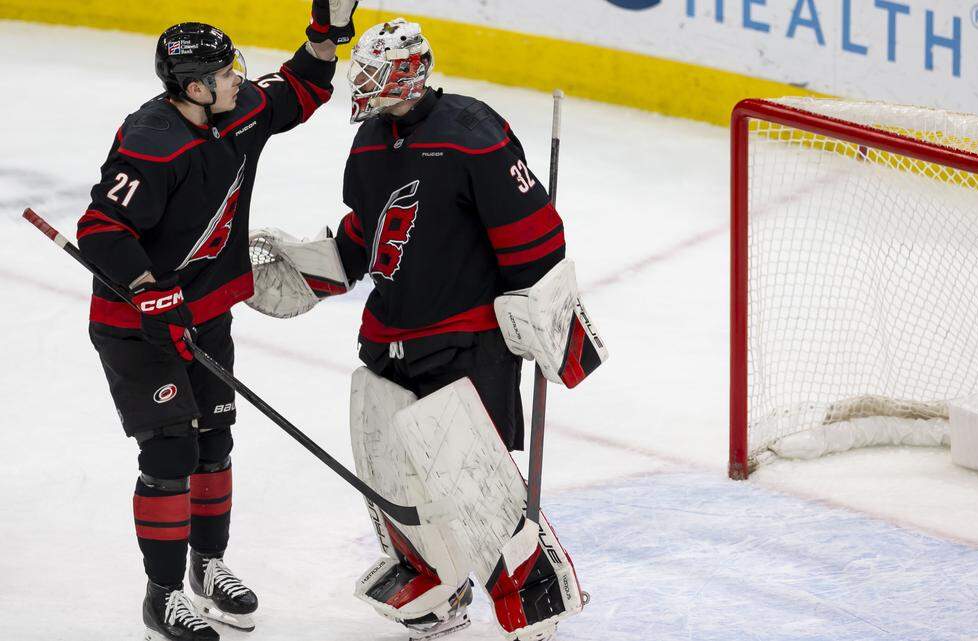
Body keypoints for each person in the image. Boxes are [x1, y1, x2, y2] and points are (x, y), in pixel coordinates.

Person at [245, 19, 607, 641]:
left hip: (466, 341)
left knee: (475, 484)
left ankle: (534, 603)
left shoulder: (473, 132)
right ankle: (434, 589)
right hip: (387, 337)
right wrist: (312, 271)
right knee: (392, 477)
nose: (361, 84)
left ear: (408, 76)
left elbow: (535, 238)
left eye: (373, 73)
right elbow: (368, 232)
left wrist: (547, 317)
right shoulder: (368, 143)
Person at [75, 4, 356, 640]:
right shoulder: (151, 142)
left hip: (206, 314)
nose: (240, 78)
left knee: (213, 443)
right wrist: (148, 292)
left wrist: (325, 35)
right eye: (227, 72)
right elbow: (100, 228)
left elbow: (301, 89)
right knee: (171, 449)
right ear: (194, 89)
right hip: (136, 327)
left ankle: (209, 566)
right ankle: (163, 596)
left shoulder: (237, 115)